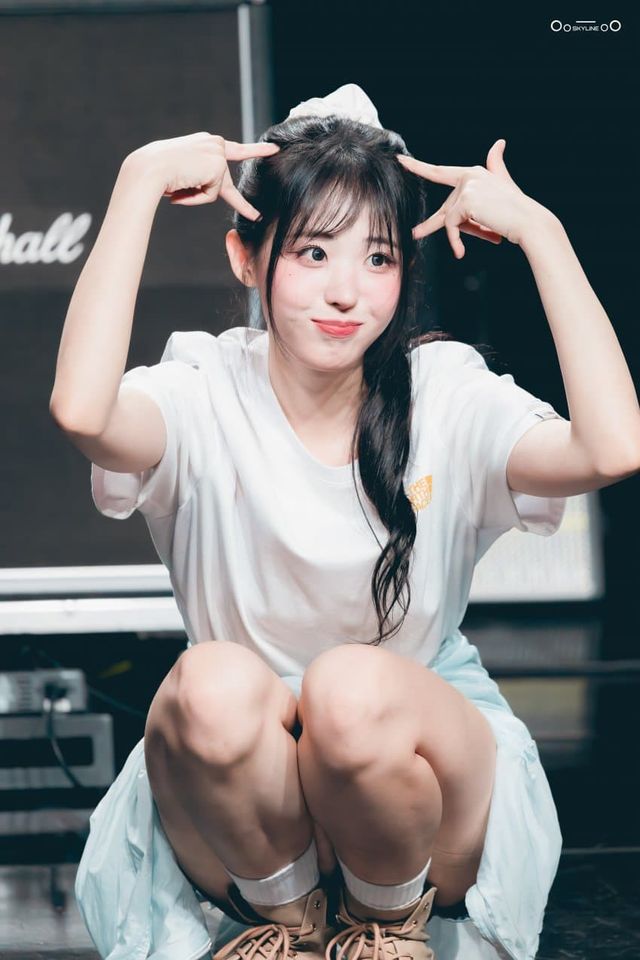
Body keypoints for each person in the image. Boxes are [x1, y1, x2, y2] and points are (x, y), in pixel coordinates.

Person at [50, 84, 640, 960]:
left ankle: (385, 929)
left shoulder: (443, 392)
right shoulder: (203, 387)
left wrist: (541, 234)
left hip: (419, 801)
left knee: (348, 691)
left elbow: (612, 447)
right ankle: (291, 931)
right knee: (209, 683)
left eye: (378, 258)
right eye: (314, 252)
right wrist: (138, 183)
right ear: (246, 258)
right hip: (240, 818)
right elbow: (82, 411)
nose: (345, 292)